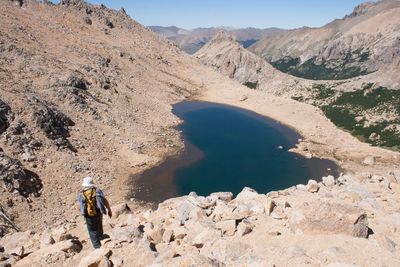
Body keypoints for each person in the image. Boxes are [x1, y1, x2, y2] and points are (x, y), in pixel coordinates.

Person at [77, 176, 112, 249]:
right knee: (99, 224)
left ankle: (97, 246)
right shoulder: (97, 191)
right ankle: (100, 237)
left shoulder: (81, 194)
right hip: (98, 211)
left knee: (92, 230)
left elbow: (79, 206)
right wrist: (109, 209)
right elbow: (104, 200)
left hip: (88, 215)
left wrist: (83, 213)